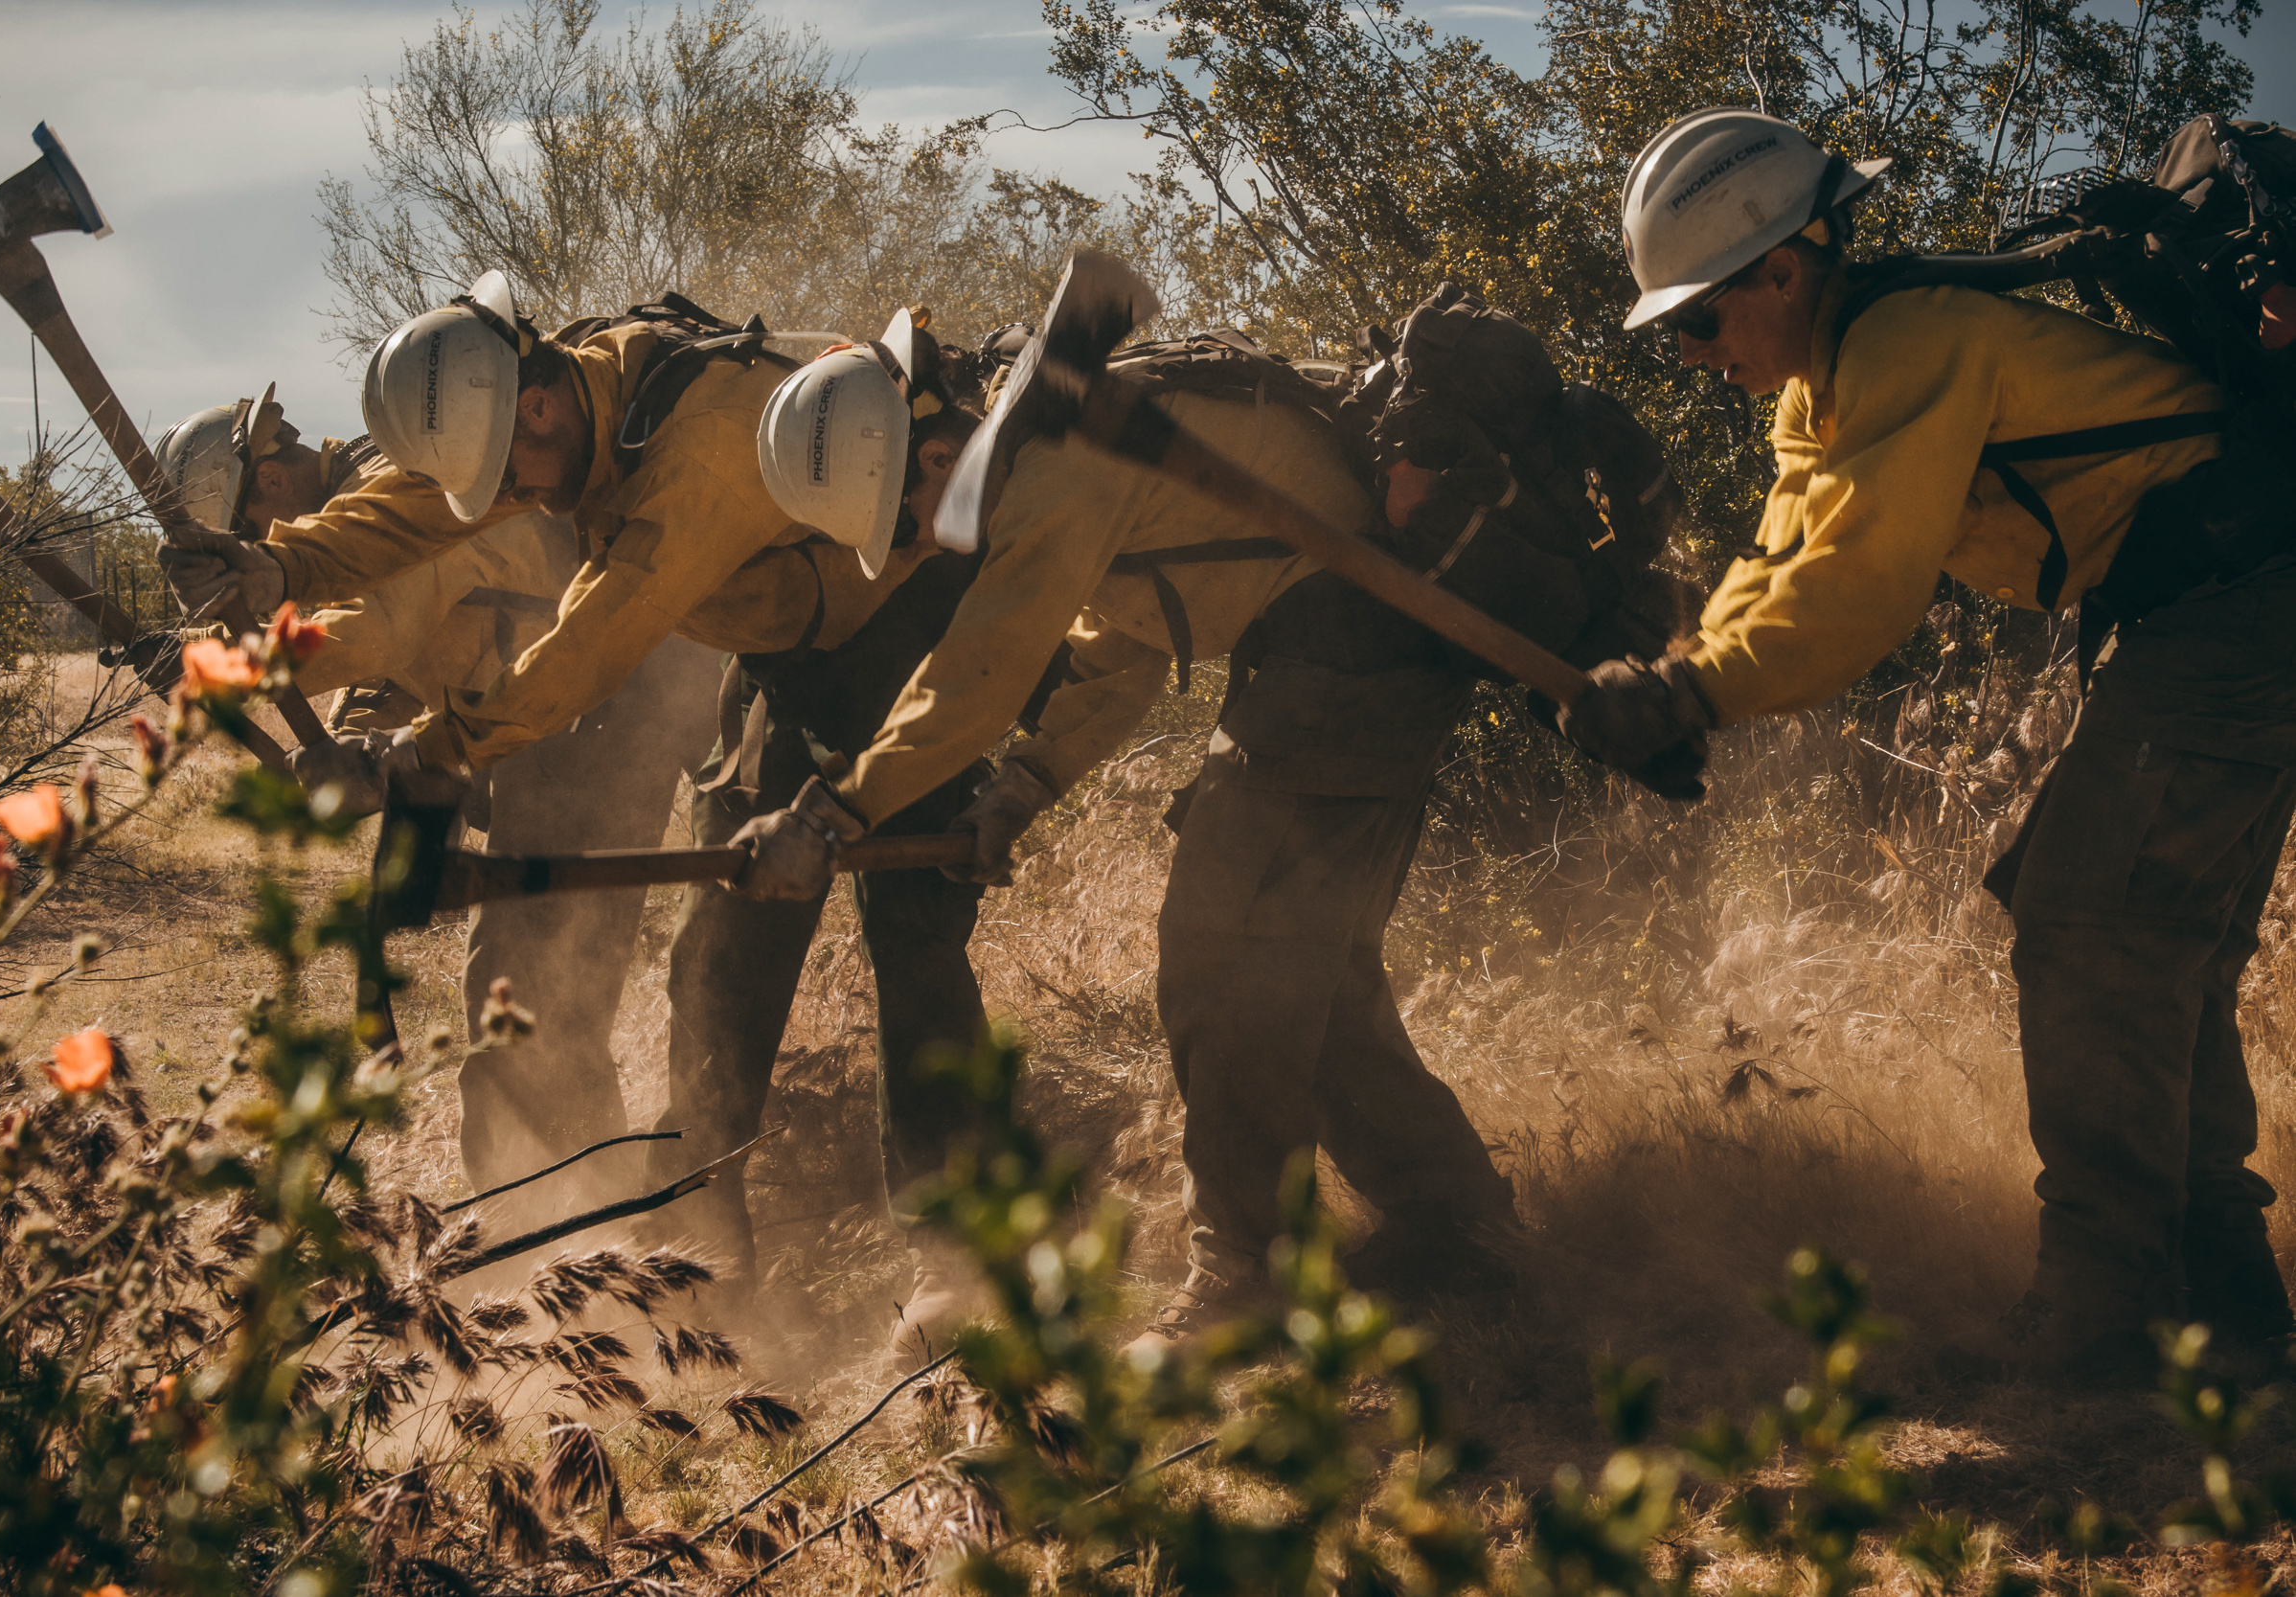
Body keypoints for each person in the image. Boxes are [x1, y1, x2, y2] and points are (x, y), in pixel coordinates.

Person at [1571, 107, 2292, 1383]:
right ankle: (2228, 1301)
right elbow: (1782, 555)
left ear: (1781, 270)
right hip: (2218, 608)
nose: (1689, 354)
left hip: (2245, 602)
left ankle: (2106, 1314)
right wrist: (1687, 675)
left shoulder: (1910, 340)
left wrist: (1695, 698)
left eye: (1696, 319)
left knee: (2098, 927)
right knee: (2137, 935)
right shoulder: (1830, 376)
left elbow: (1858, 585)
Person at [156, 282, 1000, 1347]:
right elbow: (432, 508)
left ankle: (959, 1257)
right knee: (718, 965)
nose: (506, 498)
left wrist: (422, 753)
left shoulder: (694, 454)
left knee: (909, 937)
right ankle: (697, 1237)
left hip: (902, 638)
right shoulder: (575, 394)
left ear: (539, 409)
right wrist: (287, 562)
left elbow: (591, 646)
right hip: (790, 662)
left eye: (507, 474)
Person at [726, 331, 1527, 1352]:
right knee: (1303, 968)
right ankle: (1455, 1226)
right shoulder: (1055, 443)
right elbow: (1127, 634)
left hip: (1350, 640)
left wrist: (830, 813)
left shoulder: (1056, 464)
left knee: (1225, 960)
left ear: (930, 458)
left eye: (906, 524)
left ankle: (1250, 1272)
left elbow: (982, 666)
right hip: (1334, 641)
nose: (922, 544)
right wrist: (1023, 785)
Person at [160, 387, 721, 1214]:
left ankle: (547, 1223)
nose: (255, 568)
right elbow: (401, 665)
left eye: (245, 544)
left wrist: (212, 668)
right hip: (556, 718)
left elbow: (378, 628)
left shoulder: (387, 494)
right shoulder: (361, 502)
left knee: (523, 992)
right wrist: (341, 752)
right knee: (537, 988)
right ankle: (593, 1199)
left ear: (269, 489)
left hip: (588, 712)